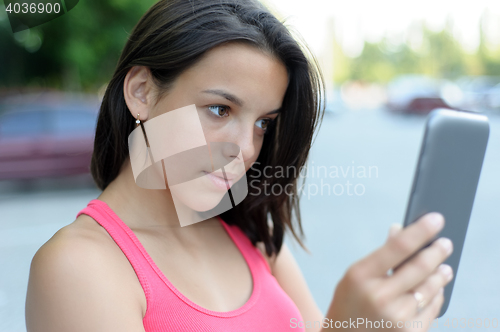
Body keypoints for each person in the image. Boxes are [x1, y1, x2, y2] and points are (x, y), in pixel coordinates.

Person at [25, 0, 454, 331]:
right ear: (141, 91)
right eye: (219, 109)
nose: (246, 149)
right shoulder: (79, 265)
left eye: (264, 123)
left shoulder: (253, 234)